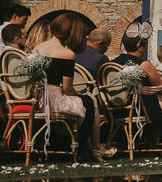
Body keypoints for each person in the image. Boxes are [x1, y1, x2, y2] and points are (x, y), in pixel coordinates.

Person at [33, 13, 115, 162]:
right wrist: (80, 94)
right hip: (54, 100)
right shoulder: (67, 54)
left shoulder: (38, 48)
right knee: (90, 102)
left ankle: (89, 147)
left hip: (38, 99)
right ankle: (85, 147)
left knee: (87, 101)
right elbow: (67, 89)